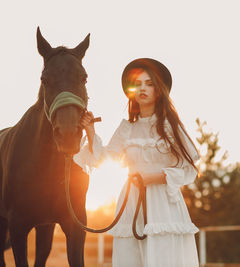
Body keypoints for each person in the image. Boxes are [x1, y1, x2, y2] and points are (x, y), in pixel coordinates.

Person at [73, 58, 201, 267]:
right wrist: (90, 131)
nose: (143, 88)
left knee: (162, 255)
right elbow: (105, 159)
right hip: (132, 201)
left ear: (159, 90)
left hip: (163, 203)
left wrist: (158, 177)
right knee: (132, 256)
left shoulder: (170, 127)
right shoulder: (126, 129)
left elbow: (189, 168)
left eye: (149, 83)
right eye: (138, 84)